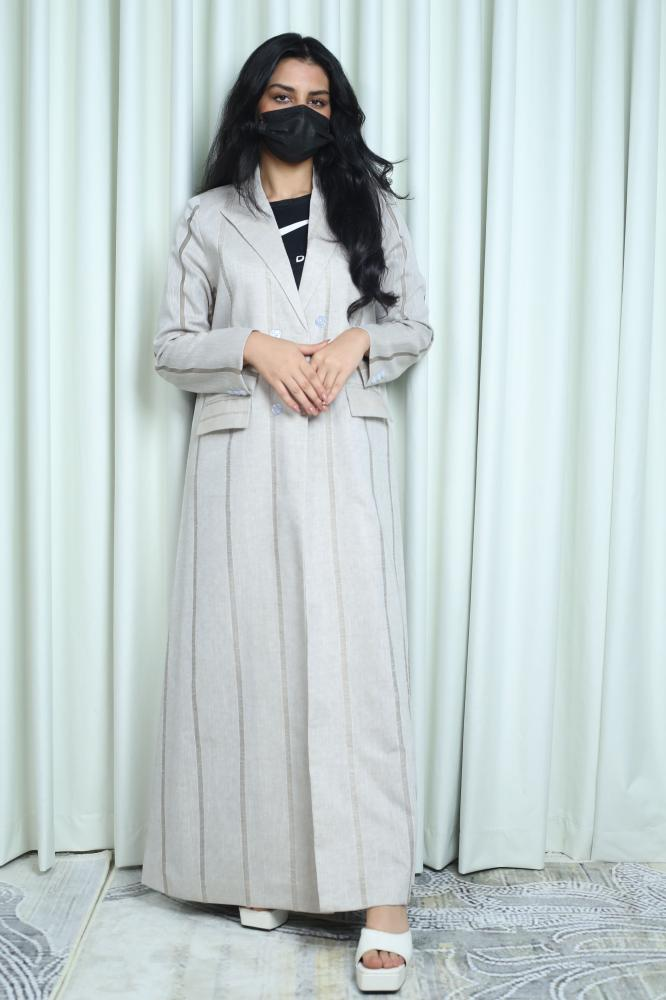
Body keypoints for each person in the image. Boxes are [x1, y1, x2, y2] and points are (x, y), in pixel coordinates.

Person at [141, 31, 433, 994]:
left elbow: (414, 324)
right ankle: (266, 873)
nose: (297, 112)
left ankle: (382, 900)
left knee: (358, 669)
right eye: (280, 96)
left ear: (333, 114)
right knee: (251, 664)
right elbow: (170, 347)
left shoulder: (370, 208)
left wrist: (354, 344)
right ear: (253, 108)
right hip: (241, 456)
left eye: (314, 98)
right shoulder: (208, 218)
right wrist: (254, 346)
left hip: (342, 450)